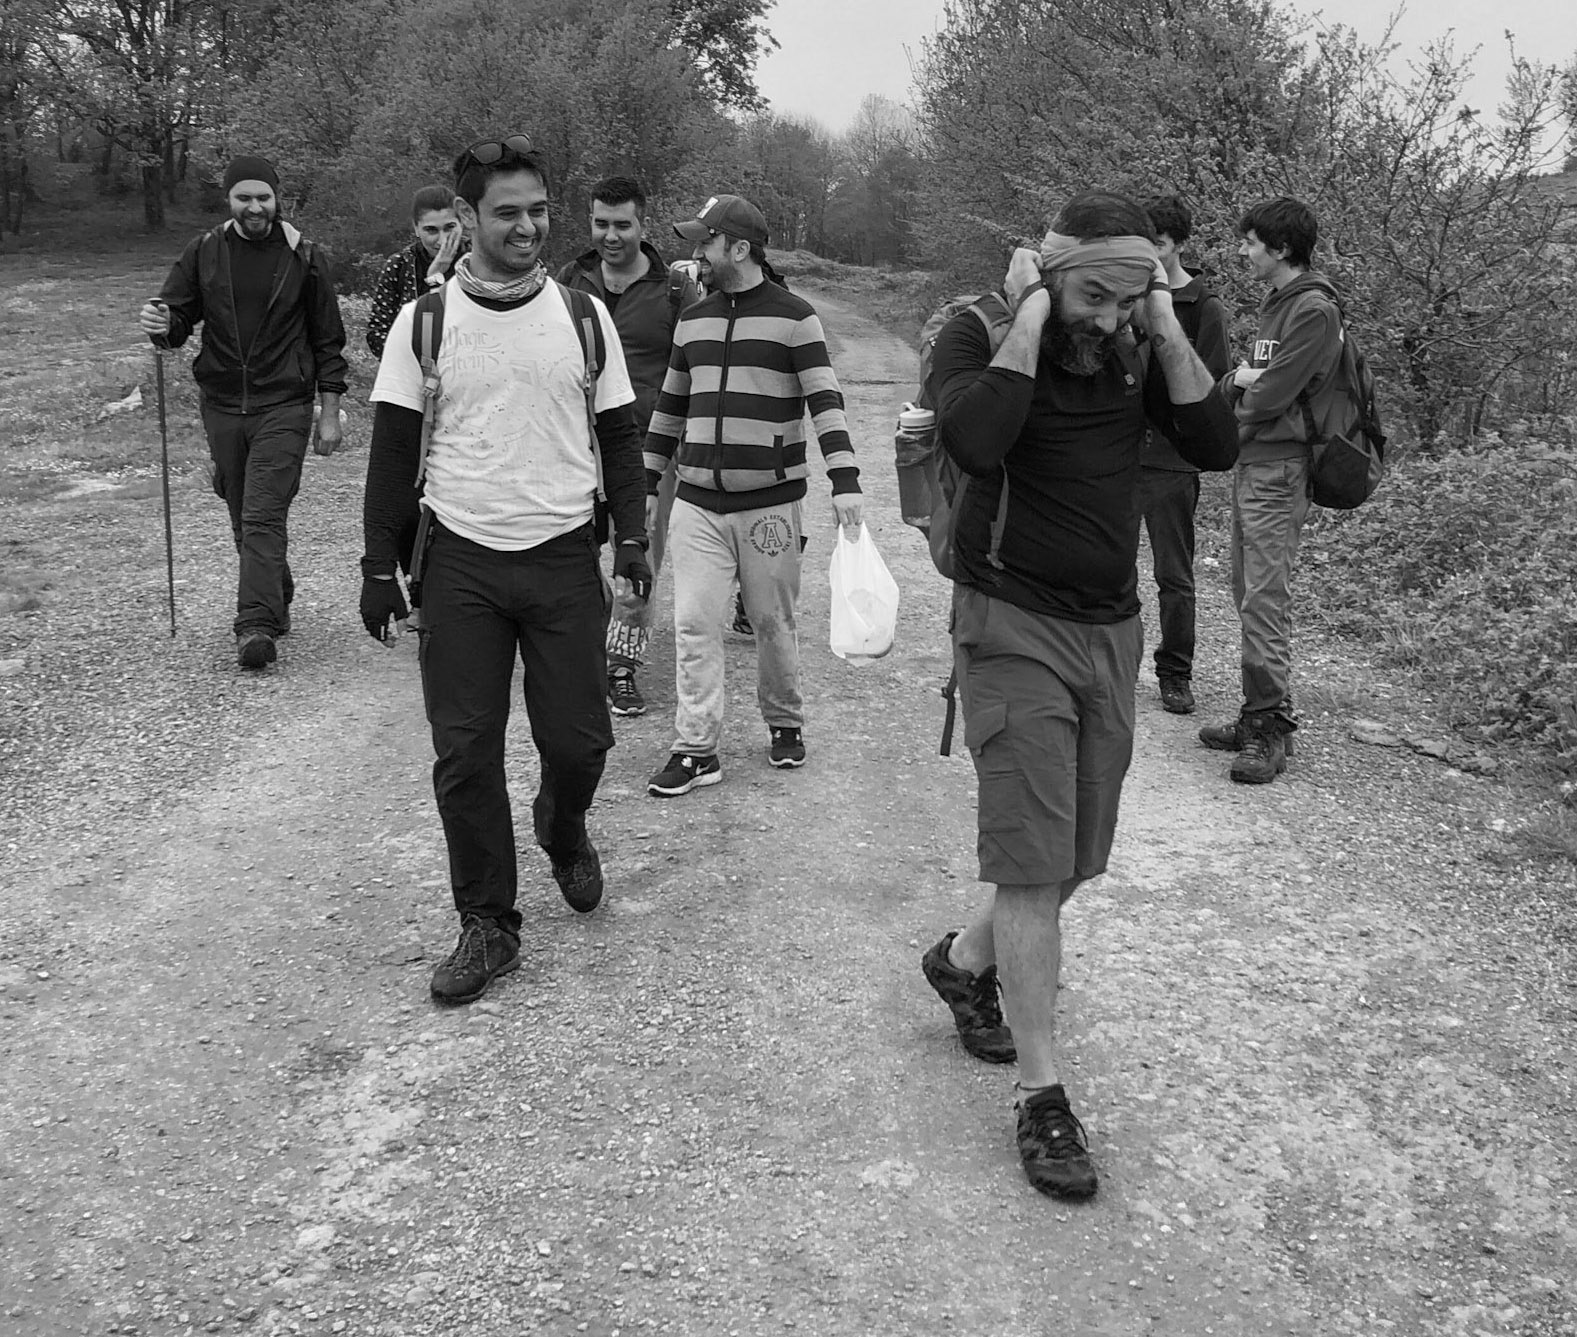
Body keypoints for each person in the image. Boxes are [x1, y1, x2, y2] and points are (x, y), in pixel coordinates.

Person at [918, 191, 1238, 1200]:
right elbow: (975, 439)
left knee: (1076, 858)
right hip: (1006, 621)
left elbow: (1213, 441)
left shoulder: (1136, 343)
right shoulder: (974, 331)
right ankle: (1042, 1093)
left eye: (1124, 297)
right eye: (1091, 295)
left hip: (1109, 628)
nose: (1104, 318)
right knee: (1028, 859)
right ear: (1050, 277)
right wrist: (1026, 317)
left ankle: (964, 959)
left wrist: (1159, 320)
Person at [358, 133, 651, 1005]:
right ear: (469, 221)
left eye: (537, 211)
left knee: (580, 741)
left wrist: (629, 537)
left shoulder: (583, 315)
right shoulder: (427, 321)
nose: (527, 227)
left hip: (562, 554)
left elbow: (620, 436)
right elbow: (393, 446)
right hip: (460, 562)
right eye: (507, 213)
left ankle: (561, 827)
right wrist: (380, 564)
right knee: (465, 752)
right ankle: (489, 921)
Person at [641, 193, 862, 797]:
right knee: (693, 623)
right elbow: (670, 405)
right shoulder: (694, 319)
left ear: (738, 248)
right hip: (697, 503)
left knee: (771, 621)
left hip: (770, 504)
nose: (697, 255)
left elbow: (825, 401)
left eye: (705, 242)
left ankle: (785, 721)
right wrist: (646, 479)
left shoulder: (796, 317)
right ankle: (696, 748)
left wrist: (846, 481)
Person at [138, 154, 348, 670]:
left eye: (263, 197)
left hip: (285, 403)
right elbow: (177, 318)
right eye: (244, 198)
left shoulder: (306, 256)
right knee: (241, 513)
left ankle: (255, 625)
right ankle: (275, 586)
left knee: (261, 514)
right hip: (224, 404)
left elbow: (328, 339)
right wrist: (160, 321)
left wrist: (329, 411)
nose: (255, 207)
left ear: (278, 200)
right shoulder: (204, 251)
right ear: (228, 200)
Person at [1199, 196, 1341, 784]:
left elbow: (1269, 394)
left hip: (1281, 470)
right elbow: (1246, 380)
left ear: (1281, 248)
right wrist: (1240, 382)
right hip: (1255, 464)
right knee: (1246, 590)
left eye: (1252, 242)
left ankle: (1269, 729)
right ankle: (1256, 711)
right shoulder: (1276, 303)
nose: (1242, 249)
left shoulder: (1312, 310)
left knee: (1264, 596)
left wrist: (1238, 390)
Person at [556, 175, 701, 718]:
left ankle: (621, 667)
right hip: (570, 443)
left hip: (647, 449)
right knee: (572, 553)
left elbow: (695, 370)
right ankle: (580, 649)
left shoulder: (675, 291)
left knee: (636, 557)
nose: (610, 236)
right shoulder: (567, 284)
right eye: (600, 224)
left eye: (622, 225)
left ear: (643, 223)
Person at [1139, 194, 1232, 715]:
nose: (1149, 254)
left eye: (1158, 243)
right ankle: (1112, 662)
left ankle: (1175, 673)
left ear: (1174, 245)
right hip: (1121, 451)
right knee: (1108, 564)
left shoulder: (1203, 306)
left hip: (1172, 461)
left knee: (1173, 575)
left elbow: (1211, 389)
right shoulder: (1124, 292)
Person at [365, 184, 467, 360]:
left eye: (449, 227)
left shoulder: (478, 261)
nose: (442, 240)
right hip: (412, 372)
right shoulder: (400, 265)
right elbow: (377, 334)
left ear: (462, 223)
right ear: (416, 228)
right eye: (431, 230)